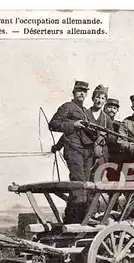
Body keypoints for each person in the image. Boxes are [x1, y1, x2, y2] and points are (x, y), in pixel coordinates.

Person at [48, 80, 94, 223]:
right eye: (79, 90)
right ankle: (73, 221)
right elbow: (53, 124)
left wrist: (57, 145)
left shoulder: (86, 112)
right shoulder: (67, 107)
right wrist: (73, 124)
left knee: (85, 186)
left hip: (87, 151)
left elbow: (75, 133)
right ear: (74, 92)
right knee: (78, 184)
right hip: (74, 150)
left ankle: (79, 219)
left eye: (84, 91)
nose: (82, 93)